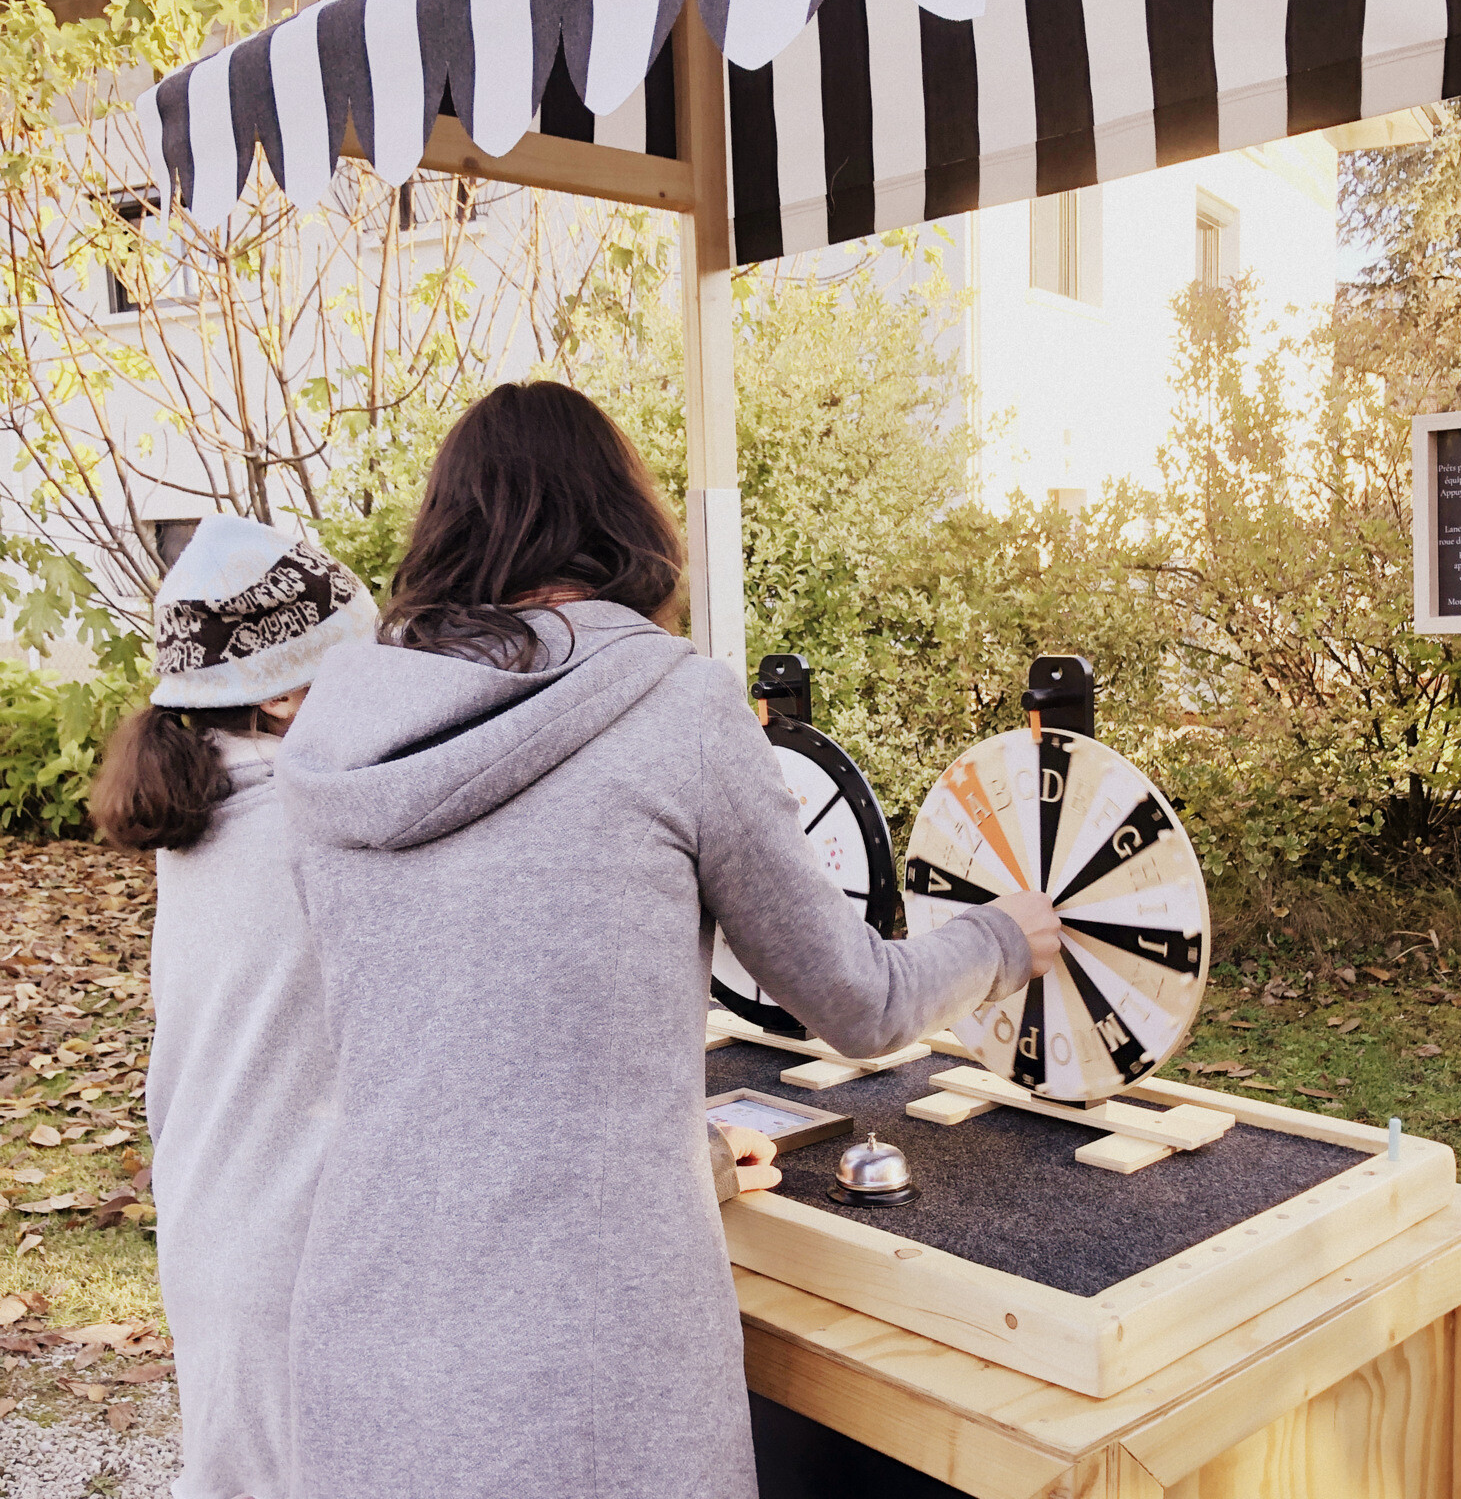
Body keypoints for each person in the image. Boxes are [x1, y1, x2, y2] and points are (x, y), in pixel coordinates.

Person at [274, 381, 1063, 1499]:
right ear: (621, 520)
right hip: (588, 1369)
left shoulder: (336, 737)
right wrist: (999, 934)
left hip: (371, 1346)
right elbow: (860, 1004)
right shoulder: (680, 710)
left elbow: (452, 1045)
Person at [89, 515, 379, 1499]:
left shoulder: (207, 825)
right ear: (290, 695)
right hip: (291, 1258)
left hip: (215, 1224)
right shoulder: (312, 829)